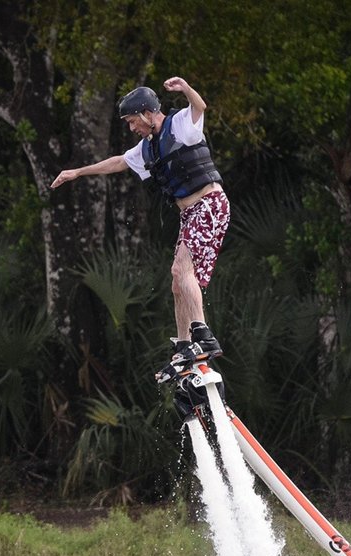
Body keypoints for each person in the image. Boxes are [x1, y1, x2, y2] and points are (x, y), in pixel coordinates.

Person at [50, 77, 230, 382]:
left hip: (210, 204)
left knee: (181, 272)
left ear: (148, 113)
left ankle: (203, 337)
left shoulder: (181, 126)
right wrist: (78, 173)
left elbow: (199, 106)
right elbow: (119, 162)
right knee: (178, 283)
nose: (133, 128)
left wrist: (186, 88)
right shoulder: (148, 147)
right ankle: (185, 346)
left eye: (134, 121)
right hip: (190, 215)